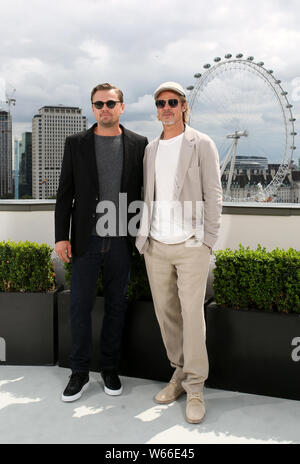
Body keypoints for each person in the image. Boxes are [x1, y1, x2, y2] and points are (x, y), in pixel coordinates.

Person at [55, 83, 148, 402]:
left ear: (122, 106)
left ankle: (109, 368)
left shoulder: (139, 143)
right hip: (85, 241)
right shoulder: (76, 143)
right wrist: (60, 237)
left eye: (110, 103)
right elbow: (65, 193)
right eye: (98, 104)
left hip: (122, 239)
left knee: (116, 307)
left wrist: (141, 232)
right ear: (92, 108)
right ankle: (78, 372)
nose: (104, 108)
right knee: (79, 306)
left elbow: (144, 193)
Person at [136, 82, 222, 424]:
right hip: (156, 244)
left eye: (173, 102)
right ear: (156, 109)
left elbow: (213, 193)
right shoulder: (151, 149)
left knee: (192, 315)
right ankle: (179, 373)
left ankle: (196, 385)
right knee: (167, 315)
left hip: (191, 244)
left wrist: (208, 239)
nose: (166, 108)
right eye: (161, 103)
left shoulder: (202, 143)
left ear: (184, 106)